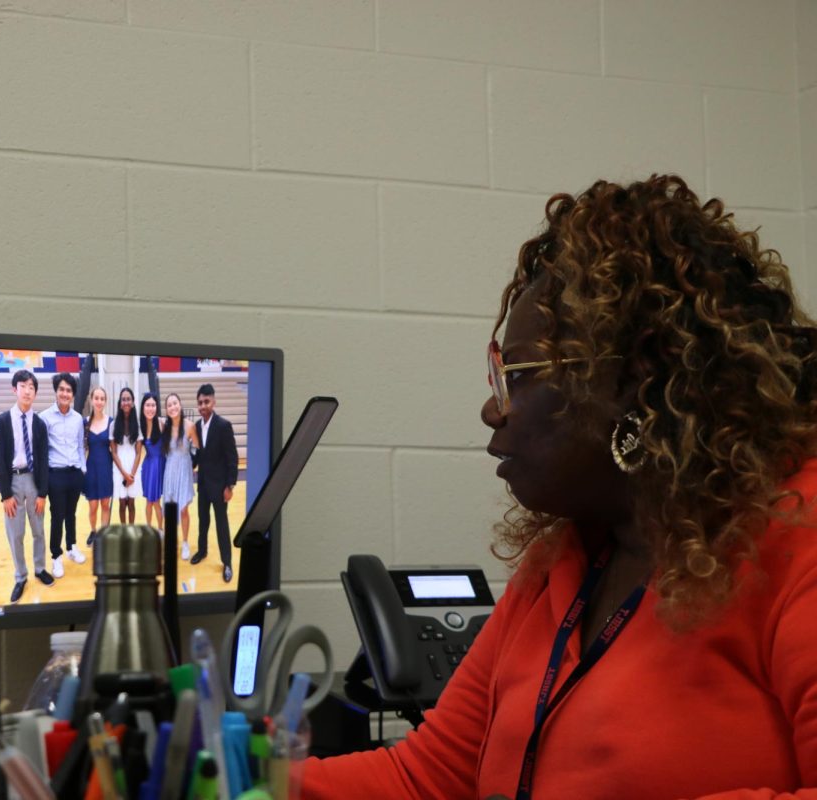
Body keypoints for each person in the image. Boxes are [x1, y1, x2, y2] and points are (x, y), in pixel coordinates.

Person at [300, 175, 817, 799]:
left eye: (516, 376)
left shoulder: (795, 534)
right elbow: (425, 780)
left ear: (633, 379)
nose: (494, 412)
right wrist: (228, 780)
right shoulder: (565, 563)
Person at [0, 370, 54, 603]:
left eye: (32, 387)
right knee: (15, 533)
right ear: (14, 389)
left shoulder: (39, 423)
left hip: (34, 480)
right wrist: (5, 494)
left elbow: (44, 459)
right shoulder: (3, 420)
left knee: (38, 529)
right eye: (23, 386)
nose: (28, 390)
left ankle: (40, 569)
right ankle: (20, 576)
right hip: (13, 480)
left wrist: (43, 493)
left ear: (35, 393)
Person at [39, 372, 87, 578]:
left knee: (71, 514)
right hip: (55, 475)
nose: (65, 393)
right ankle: (56, 556)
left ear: (73, 394)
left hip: (74, 473)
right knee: (57, 516)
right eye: (62, 389)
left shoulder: (77, 418)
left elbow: (79, 445)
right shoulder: (44, 417)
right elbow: (41, 451)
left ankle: (71, 547)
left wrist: (82, 469)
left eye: (69, 390)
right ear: (56, 391)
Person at [191, 383, 239, 583]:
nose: (203, 406)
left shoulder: (223, 425)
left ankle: (227, 562)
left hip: (220, 487)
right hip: (202, 484)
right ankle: (202, 551)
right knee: (203, 521)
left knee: (221, 524)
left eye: (206, 401)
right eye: (200, 402)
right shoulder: (196, 427)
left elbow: (232, 458)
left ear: (214, 401)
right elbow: (197, 457)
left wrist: (230, 486)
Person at [160, 392, 201, 560]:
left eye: (175, 403)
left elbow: (197, 449)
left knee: (183, 509)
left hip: (184, 469)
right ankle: (171, 541)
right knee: (170, 509)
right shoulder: (164, 426)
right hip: (170, 469)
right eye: (169, 405)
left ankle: (185, 542)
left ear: (180, 404)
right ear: (167, 409)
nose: (172, 407)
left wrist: (192, 466)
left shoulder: (190, 426)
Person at [83, 386, 115, 545]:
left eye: (102, 398)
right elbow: (81, 448)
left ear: (105, 401)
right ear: (91, 399)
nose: (99, 401)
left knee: (105, 504)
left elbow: (115, 449)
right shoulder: (85, 423)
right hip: (91, 469)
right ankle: (93, 531)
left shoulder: (111, 422)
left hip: (105, 469)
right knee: (93, 506)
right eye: (97, 398)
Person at [110, 387, 143, 525]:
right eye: (123, 399)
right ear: (120, 403)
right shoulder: (113, 425)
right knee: (122, 503)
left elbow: (138, 453)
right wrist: (124, 474)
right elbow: (114, 452)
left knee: (131, 503)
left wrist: (132, 475)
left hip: (133, 468)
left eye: (128, 399)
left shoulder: (138, 425)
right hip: (119, 468)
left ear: (133, 402)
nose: (126, 402)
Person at [139, 393, 165, 529]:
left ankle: (160, 529)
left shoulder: (161, 423)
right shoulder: (140, 426)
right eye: (148, 405)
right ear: (143, 408)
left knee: (155, 502)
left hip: (159, 465)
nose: (150, 408)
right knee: (148, 501)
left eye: (153, 405)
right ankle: (149, 529)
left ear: (156, 407)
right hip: (148, 466)